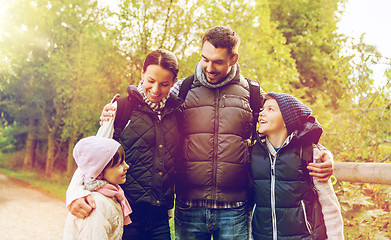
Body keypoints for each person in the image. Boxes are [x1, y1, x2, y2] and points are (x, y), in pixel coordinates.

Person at [97, 26, 334, 240]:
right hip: (189, 206)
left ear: (234, 58)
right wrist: (111, 112)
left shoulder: (252, 93)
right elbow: (148, 104)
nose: (209, 68)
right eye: (205, 59)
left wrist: (321, 152)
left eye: (218, 62)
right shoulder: (183, 89)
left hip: (235, 209)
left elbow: (287, 123)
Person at [66, 49, 182, 240]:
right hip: (126, 214)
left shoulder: (177, 113)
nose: (155, 90)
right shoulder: (121, 109)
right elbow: (91, 162)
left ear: (174, 82)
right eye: (151, 81)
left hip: (160, 218)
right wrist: (74, 195)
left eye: (164, 84)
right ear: (142, 74)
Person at [251, 92, 344, 240]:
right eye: (262, 109)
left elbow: (329, 206)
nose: (262, 113)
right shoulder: (254, 153)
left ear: (286, 120)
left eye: (270, 109)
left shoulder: (309, 153)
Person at [63, 136, 131, 240]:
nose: (126, 166)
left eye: (124, 162)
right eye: (119, 164)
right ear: (98, 172)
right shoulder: (96, 204)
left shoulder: (111, 195)